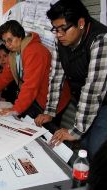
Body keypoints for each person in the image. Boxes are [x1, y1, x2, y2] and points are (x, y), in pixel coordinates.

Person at [34, 0, 107, 160]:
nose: (58, 34)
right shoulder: (61, 40)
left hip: (103, 102)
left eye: (63, 29)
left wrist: (76, 131)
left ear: (81, 23)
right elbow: (56, 77)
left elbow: (93, 88)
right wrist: (49, 112)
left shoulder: (101, 39)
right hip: (86, 100)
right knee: (84, 145)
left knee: (97, 148)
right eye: (55, 29)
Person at [0, 20, 70, 120]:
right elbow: (4, 78)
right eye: (5, 41)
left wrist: (15, 109)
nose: (7, 45)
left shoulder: (34, 51)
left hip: (54, 100)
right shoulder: (14, 53)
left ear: (20, 36)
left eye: (10, 40)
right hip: (37, 97)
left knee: (47, 130)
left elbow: (30, 86)